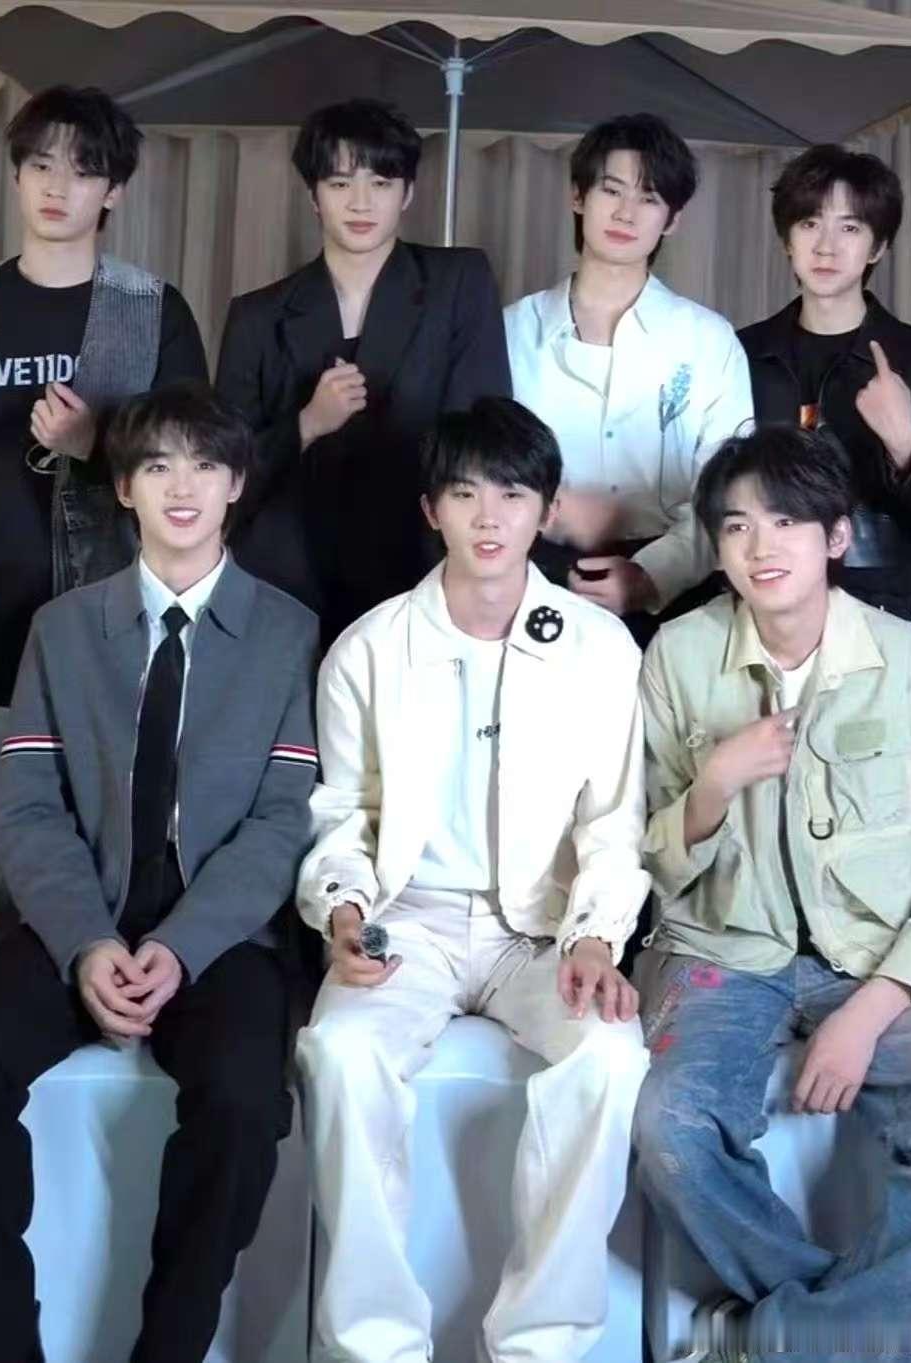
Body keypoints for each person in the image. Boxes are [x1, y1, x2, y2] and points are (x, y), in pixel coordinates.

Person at [0, 382, 318, 1363]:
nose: (183, 487)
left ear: (236, 485)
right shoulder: (62, 630)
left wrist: (181, 946)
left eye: (206, 466)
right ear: (124, 486)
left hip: (221, 937)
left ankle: (167, 1349)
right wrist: (87, 940)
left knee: (244, 1102)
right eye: (158, 465)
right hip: (77, 917)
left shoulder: (287, 632)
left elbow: (280, 822)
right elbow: (29, 809)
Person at [295, 396, 650, 1363]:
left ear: (546, 510)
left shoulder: (598, 648)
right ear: (431, 510)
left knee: (610, 1057)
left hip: (541, 932)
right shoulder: (369, 648)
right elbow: (342, 813)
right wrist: (344, 910)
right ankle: (375, 1347)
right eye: (464, 494)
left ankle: (537, 1343)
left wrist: (594, 935)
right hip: (405, 923)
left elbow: (613, 822)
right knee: (340, 1053)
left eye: (512, 494)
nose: (488, 517)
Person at [0, 84, 208, 1157]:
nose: (57, 186)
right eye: (39, 165)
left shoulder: (152, 310)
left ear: (114, 189)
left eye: (82, 167)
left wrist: (93, 448)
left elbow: (195, 473)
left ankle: (60, 1136)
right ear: (17, 175)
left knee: (84, 899)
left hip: (106, 661)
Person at [634, 424, 911, 1362]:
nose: (760, 546)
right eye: (736, 526)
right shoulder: (676, 657)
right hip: (720, 952)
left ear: (835, 536)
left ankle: (774, 1338)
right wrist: (712, 784)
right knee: (670, 1130)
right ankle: (838, 1326)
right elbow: (644, 858)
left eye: (785, 521)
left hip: (880, 955)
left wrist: (870, 1009)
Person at [216, 97, 511, 645]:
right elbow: (221, 475)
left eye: (380, 182)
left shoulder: (458, 281)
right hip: (291, 580)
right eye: (339, 183)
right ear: (313, 195)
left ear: (408, 193)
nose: (360, 202)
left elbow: (485, 438)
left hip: (422, 568)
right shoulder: (257, 316)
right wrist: (305, 424)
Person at [504, 112, 753, 647]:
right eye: (611, 190)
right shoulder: (511, 331)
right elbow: (483, 468)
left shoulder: (707, 340)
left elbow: (730, 487)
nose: (625, 213)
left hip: (675, 592)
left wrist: (652, 575)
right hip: (531, 577)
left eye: (649, 197)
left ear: (672, 219)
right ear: (578, 196)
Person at [739, 143, 911, 632]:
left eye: (850, 228)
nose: (826, 246)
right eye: (809, 223)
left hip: (885, 609)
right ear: (787, 239)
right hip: (762, 599)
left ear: (877, 247)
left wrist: (905, 443)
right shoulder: (740, 354)